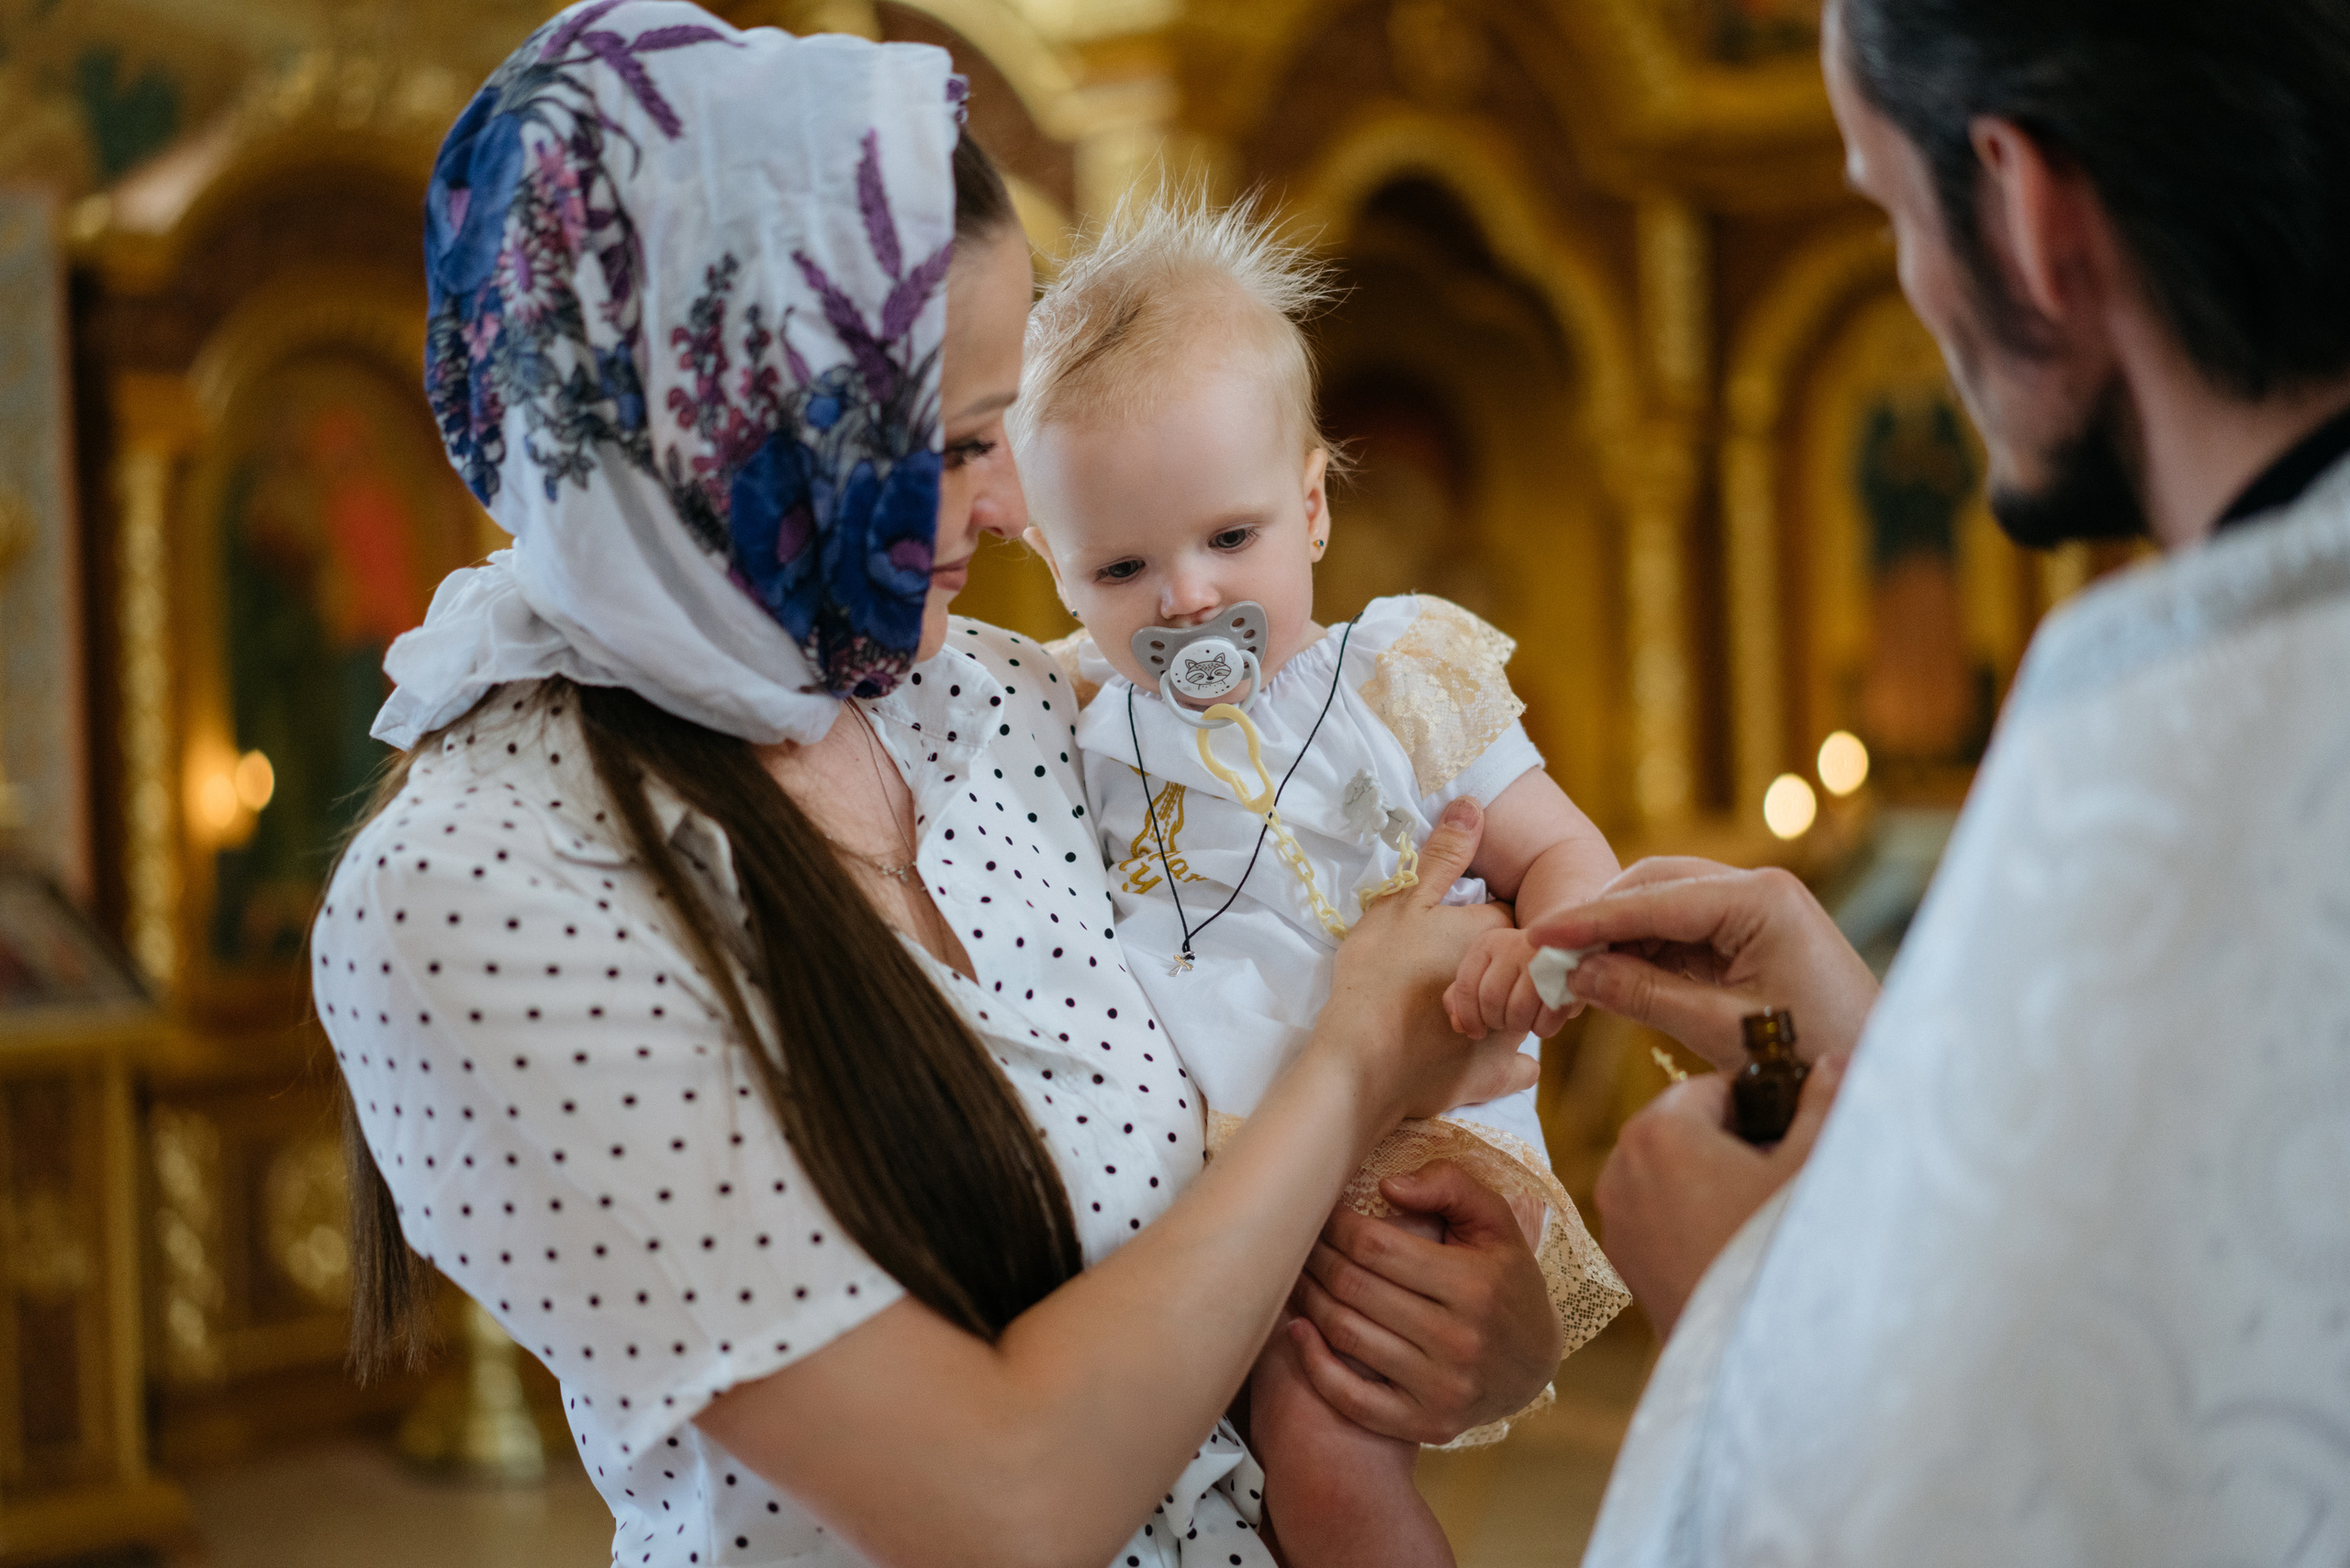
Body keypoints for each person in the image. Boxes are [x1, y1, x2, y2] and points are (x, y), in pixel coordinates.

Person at [315, 7, 1569, 1567]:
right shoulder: (480, 885)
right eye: (961, 439)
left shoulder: (996, 702)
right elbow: (1003, 1504)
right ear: (730, 424)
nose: (1010, 504)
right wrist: (1355, 1060)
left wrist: (1473, 1325)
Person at [1537, 1, 2350, 1562]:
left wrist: (1757, 1303)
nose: (1914, 283)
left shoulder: (2174, 726)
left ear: (2029, 211)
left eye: (1889, 209)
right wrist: (1909, 1076)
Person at [1012, 198, 1628, 1566]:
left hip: (1410, 1141)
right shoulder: (1083, 727)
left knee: (1321, 1451)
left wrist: (1547, 957)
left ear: (1312, 506)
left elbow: (1559, 847)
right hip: (1229, 1166)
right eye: (1121, 567)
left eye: (1229, 540)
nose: (1184, 598)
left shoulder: (1397, 683)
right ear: (1057, 572)